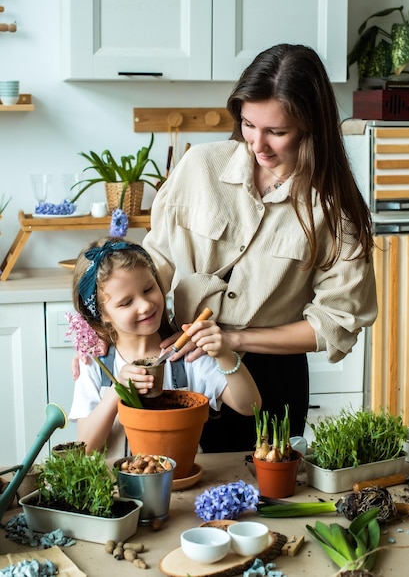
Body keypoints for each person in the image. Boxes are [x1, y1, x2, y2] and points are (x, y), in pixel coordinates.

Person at [142, 43, 378, 452]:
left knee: (268, 507)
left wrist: (235, 341)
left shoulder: (332, 207)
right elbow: (153, 265)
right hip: (183, 364)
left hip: (272, 379)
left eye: (277, 132)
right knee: (178, 499)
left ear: (311, 126)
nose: (257, 144)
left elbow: (336, 322)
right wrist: (105, 338)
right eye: (249, 124)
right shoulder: (200, 166)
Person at [68, 237, 261, 457]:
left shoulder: (187, 355)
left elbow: (249, 405)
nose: (145, 305)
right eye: (126, 303)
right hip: (116, 488)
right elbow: (85, 449)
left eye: (148, 289)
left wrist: (224, 353)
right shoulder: (95, 364)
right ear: (103, 316)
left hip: (180, 485)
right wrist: (116, 391)